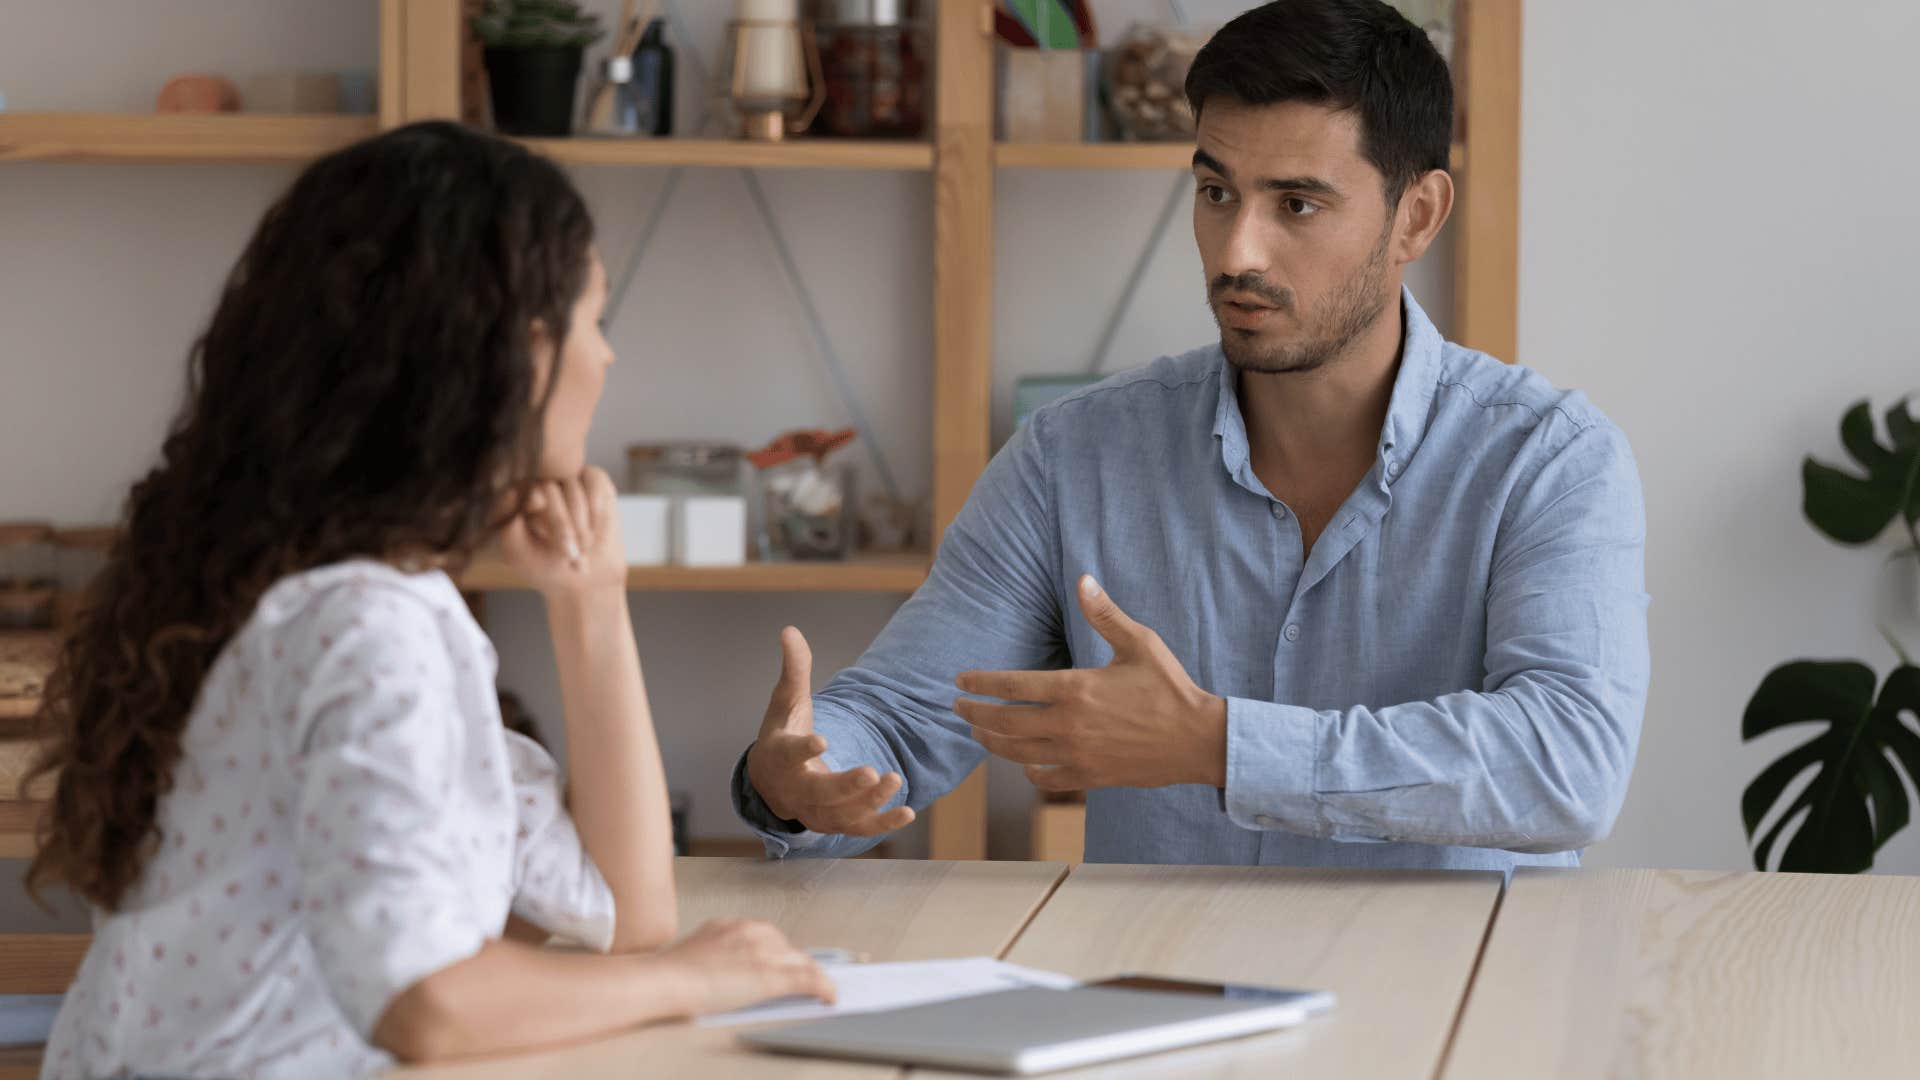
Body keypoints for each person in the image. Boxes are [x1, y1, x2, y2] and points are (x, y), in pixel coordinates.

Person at [734, 0, 1649, 871]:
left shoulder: (1551, 461)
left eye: (1296, 205)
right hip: (1165, 1011)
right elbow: (900, 720)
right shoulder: (1072, 460)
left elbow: (1568, 765)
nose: (1238, 251)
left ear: (1417, 215)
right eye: (1217, 191)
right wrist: (795, 778)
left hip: (1458, 1008)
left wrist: (1217, 744)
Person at [26, 121, 831, 1080]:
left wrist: (591, 600)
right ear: (519, 357)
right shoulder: (362, 626)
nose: (607, 360)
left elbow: (626, 909)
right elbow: (429, 1004)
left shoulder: (329, 597)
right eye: (594, 320)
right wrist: (696, 982)